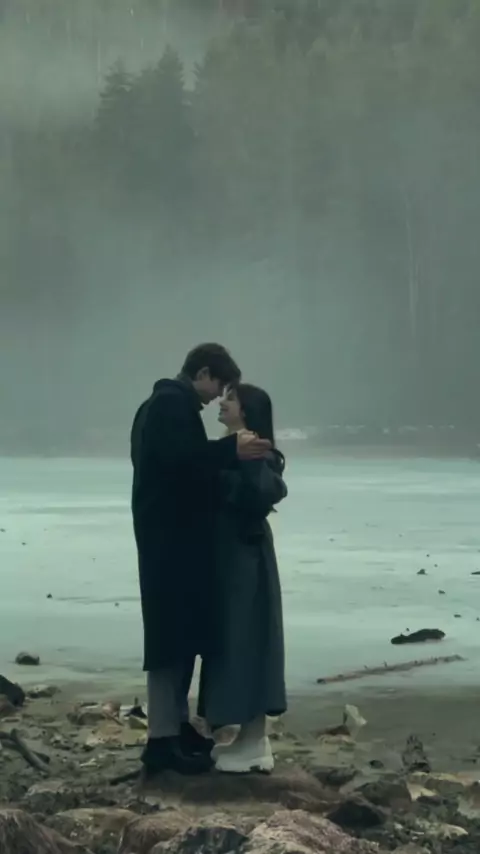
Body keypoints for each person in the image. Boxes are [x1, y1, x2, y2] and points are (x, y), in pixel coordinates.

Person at [131, 345, 272, 776]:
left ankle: (174, 729)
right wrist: (231, 451)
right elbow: (183, 464)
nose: (217, 397)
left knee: (178, 635)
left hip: (168, 539)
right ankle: (162, 740)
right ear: (204, 373)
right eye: (218, 386)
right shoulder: (171, 405)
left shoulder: (161, 405)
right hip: (169, 543)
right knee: (170, 640)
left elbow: (180, 465)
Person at [198, 383, 287, 774]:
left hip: (246, 559)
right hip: (231, 557)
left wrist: (244, 465)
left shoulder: (255, 451)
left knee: (249, 640)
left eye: (231, 398)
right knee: (234, 640)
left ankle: (255, 741)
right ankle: (248, 738)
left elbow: (266, 491)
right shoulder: (230, 447)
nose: (222, 402)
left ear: (247, 410)